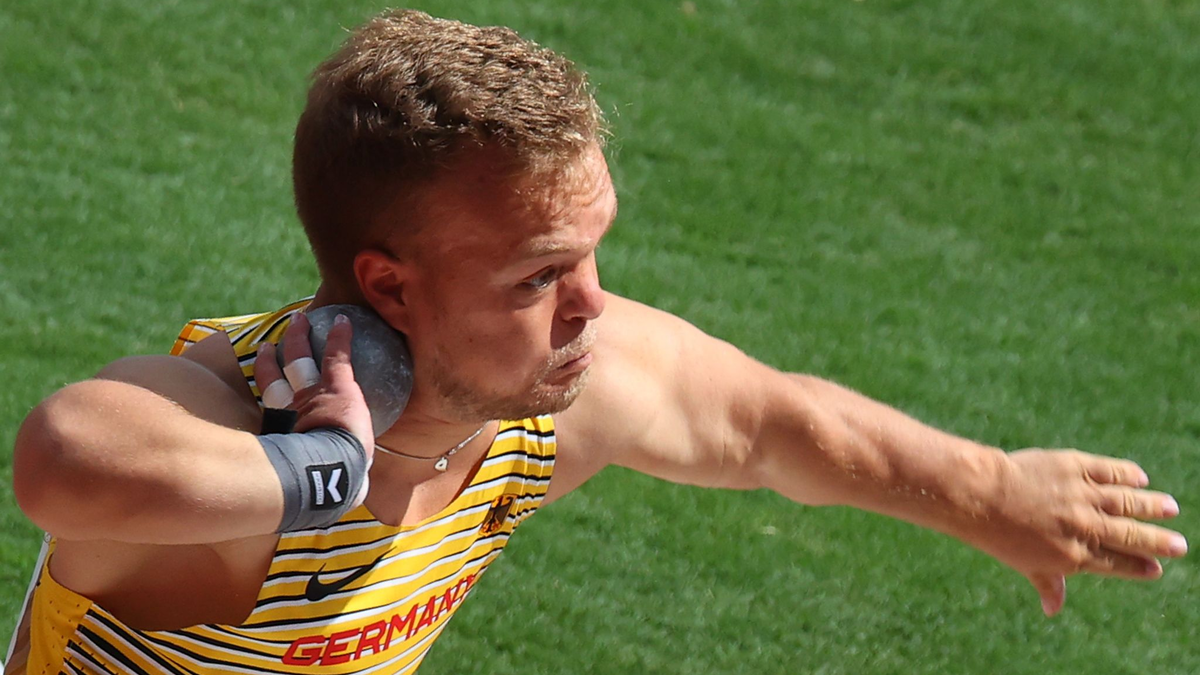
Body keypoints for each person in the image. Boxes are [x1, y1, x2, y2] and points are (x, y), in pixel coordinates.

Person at [4, 9, 1186, 675]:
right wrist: (325, 474)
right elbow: (62, 461)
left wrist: (991, 494)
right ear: (388, 285)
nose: (594, 308)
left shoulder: (548, 397)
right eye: (539, 274)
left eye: (592, 251)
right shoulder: (245, 420)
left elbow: (770, 425)